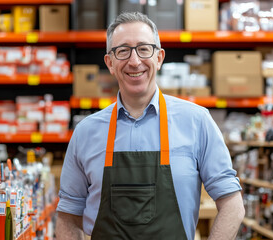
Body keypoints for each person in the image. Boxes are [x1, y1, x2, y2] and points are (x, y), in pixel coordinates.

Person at [55, 12, 245, 240]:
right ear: (110, 63)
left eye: (144, 49)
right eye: (122, 51)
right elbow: (68, 216)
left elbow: (232, 204)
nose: (134, 61)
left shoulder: (196, 121)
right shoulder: (86, 132)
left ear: (159, 57)